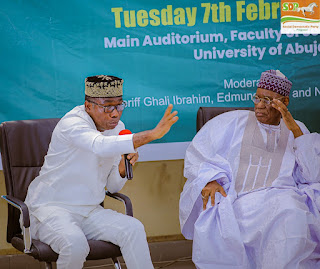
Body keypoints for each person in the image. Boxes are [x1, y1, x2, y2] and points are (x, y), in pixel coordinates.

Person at [23, 75, 179, 269]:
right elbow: (100, 145)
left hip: (89, 211)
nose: (115, 114)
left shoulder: (118, 129)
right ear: (88, 106)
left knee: (133, 229)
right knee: (75, 244)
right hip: (50, 209)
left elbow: (113, 186)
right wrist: (151, 135)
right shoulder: (72, 123)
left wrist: (122, 165)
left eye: (119, 106)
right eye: (107, 107)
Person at [179, 70, 320, 268]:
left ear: (284, 102)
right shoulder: (233, 122)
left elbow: (313, 175)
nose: (259, 106)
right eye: (257, 98)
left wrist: (294, 129)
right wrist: (210, 179)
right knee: (284, 215)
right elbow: (199, 153)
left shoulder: (298, 130)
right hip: (243, 199)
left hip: (287, 196)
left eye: (267, 100)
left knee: (292, 215)